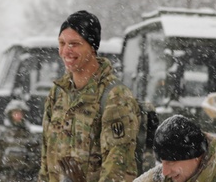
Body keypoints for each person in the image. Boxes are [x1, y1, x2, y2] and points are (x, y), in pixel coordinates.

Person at [38, 10, 140, 182]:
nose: (66, 51)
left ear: (92, 47)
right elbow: (45, 161)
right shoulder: (57, 94)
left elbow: (118, 167)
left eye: (75, 44)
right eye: (62, 43)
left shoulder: (115, 96)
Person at [0, 99, 42, 182]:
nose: (18, 116)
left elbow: (41, 161)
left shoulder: (33, 138)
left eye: (20, 113)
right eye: (15, 113)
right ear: (10, 115)